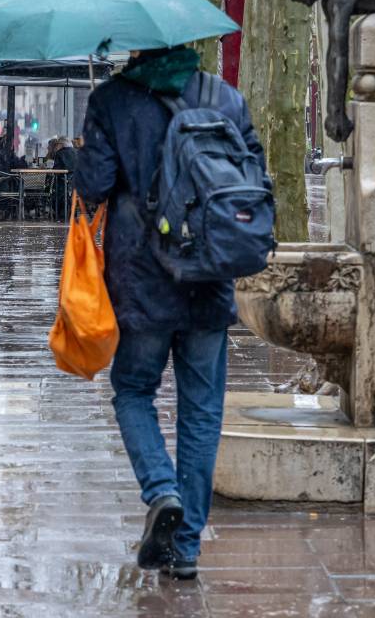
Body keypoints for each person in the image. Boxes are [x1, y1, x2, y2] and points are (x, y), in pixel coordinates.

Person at [73, 44, 266, 581]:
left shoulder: (112, 99)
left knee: (133, 388)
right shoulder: (224, 97)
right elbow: (254, 173)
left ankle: (161, 489)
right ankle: (186, 549)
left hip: (143, 277)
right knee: (201, 410)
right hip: (210, 272)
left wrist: (85, 150)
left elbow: (93, 185)